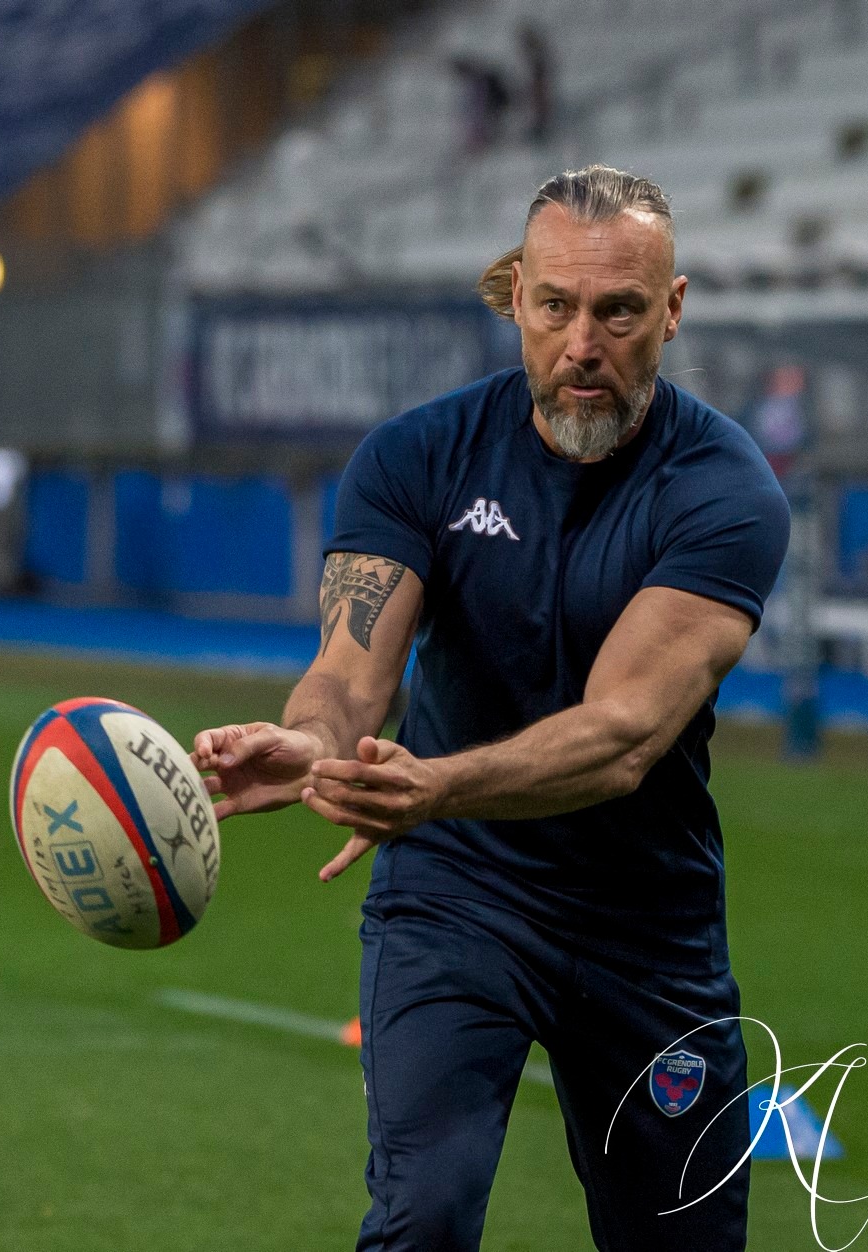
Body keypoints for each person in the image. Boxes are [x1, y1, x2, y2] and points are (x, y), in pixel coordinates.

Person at [193, 165, 789, 1252]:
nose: (582, 344)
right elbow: (348, 673)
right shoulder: (417, 456)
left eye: (618, 311)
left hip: (645, 923)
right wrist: (313, 740)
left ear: (673, 309)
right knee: (423, 1216)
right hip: (455, 898)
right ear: (515, 295)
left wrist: (433, 786)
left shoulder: (723, 490)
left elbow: (621, 738)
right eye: (555, 304)